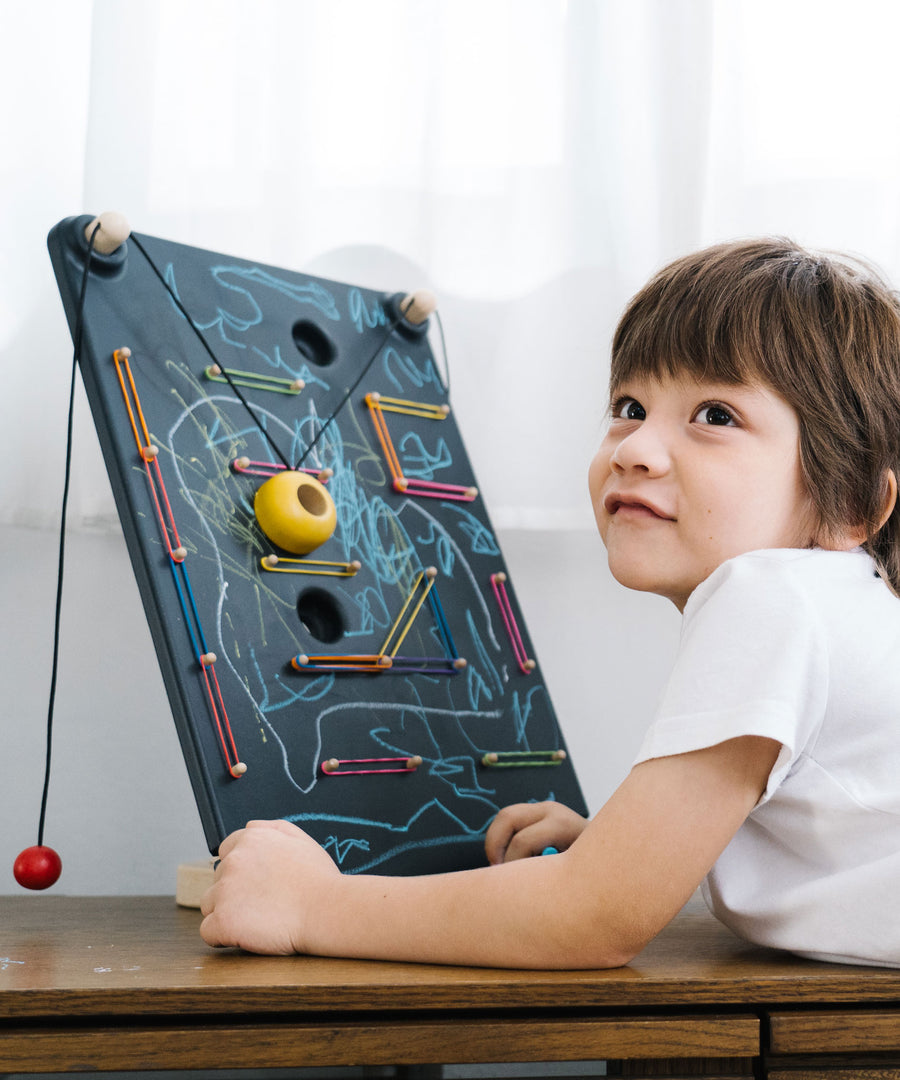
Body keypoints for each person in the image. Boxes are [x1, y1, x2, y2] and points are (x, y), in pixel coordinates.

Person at [200, 238, 900, 969]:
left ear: (850, 500)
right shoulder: (831, 609)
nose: (636, 448)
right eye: (629, 407)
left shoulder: (772, 598)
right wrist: (610, 851)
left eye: (715, 415)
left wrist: (312, 904)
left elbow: (593, 919)